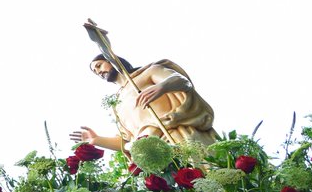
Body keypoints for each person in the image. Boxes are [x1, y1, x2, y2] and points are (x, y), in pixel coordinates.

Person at [71, 53, 217, 153]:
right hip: (152, 152)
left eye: (99, 65)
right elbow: (128, 140)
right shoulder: (117, 104)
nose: (98, 72)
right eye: (95, 72)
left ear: (111, 59)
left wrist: (162, 87)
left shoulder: (148, 73)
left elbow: (183, 82)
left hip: (177, 137)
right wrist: (96, 139)